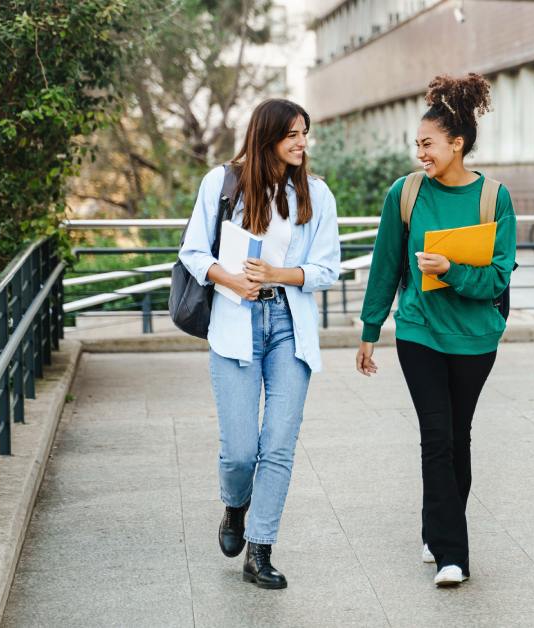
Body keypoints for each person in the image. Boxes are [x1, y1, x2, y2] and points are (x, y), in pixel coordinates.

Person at [356, 74, 516, 587]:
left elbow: (497, 276)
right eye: (417, 144)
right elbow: (385, 265)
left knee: (458, 437)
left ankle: (436, 528)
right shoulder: (404, 194)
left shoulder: (495, 198)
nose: (420, 153)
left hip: (475, 338)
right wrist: (370, 326)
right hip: (419, 331)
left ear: (457, 144)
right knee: (436, 438)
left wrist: (451, 270)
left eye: (427, 144)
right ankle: (453, 554)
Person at [178, 99, 340, 590]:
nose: (301, 142)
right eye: (291, 133)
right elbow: (192, 251)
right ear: (265, 135)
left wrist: (279, 275)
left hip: (289, 324)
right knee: (240, 453)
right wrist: (231, 279)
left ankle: (260, 550)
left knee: (279, 447)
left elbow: (326, 268)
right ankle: (235, 508)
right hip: (234, 322)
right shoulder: (222, 182)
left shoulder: (315, 193)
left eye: (304, 133)